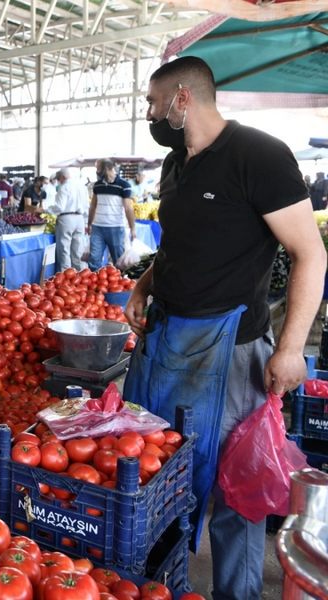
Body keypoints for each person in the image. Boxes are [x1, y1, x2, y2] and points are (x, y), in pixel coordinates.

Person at [124, 56, 326, 600]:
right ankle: (166, 585)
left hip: (232, 353)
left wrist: (289, 350)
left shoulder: (258, 155)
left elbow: (310, 253)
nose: (148, 112)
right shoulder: (175, 165)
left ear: (182, 98)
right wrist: (146, 285)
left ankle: (235, 593)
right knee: (162, 472)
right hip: (166, 345)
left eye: (152, 102)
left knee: (235, 488)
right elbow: (177, 245)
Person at [87, 159, 134, 270]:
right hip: (97, 228)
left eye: (99, 169)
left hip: (116, 228)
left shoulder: (124, 185)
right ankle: (95, 284)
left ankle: (120, 285)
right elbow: (93, 206)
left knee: (119, 260)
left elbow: (128, 208)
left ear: (108, 168)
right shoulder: (97, 186)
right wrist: (89, 224)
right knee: (94, 259)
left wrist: (133, 228)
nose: (97, 171)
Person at [46, 168, 88, 271]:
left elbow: (60, 207)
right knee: (77, 250)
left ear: (63, 177)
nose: (58, 181)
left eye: (59, 179)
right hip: (80, 218)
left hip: (66, 219)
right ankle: (79, 275)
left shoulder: (64, 187)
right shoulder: (81, 187)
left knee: (64, 249)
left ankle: (66, 276)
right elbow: (86, 206)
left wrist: (47, 210)